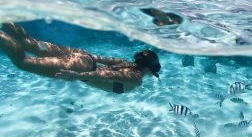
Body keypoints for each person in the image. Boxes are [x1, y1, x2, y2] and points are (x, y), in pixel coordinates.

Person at [0, 22, 161, 94]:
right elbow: (107, 75)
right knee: (23, 62)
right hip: (81, 67)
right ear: (147, 68)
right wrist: (78, 75)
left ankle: (5, 18)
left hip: (84, 57)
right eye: (151, 72)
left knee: (30, 43)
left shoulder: (128, 64)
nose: (149, 75)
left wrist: (83, 56)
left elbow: (104, 59)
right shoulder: (136, 77)